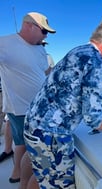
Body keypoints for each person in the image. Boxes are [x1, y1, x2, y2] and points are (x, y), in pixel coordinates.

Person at [24, 20, 102, 189]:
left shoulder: (79, 51)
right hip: (52, 137)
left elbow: (80, 84)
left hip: (33, 125)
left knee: (43, 179)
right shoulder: (98, 63)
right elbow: (94, 120)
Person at [0, 11, 56, 185]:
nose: (45, 36)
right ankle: (18, 174)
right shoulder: (5, 43)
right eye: (44, 31)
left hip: (40, 109)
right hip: (20, 108)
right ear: (29, 26)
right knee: (23, 145)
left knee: (29, 147)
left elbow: (44, 71)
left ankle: (21, 176)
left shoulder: (39, 49)